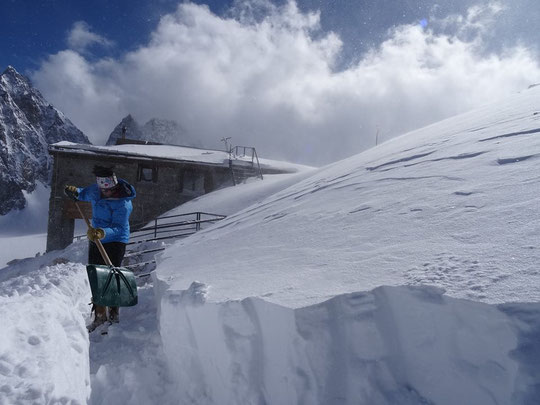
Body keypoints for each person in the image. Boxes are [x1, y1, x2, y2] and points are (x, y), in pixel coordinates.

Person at [64, 165, 136, 332]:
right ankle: (100, 315)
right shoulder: (96, 190)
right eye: (103, 190)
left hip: (116, 239)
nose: (106, 193)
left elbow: (118, 227)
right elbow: (84, 193)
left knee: (111, 275)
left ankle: (114, 312)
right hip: (96, 236)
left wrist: (103, 232)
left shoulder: (123, 204)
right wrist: (76, 192)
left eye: (109, 190)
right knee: (96, 275)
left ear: (115, 185)